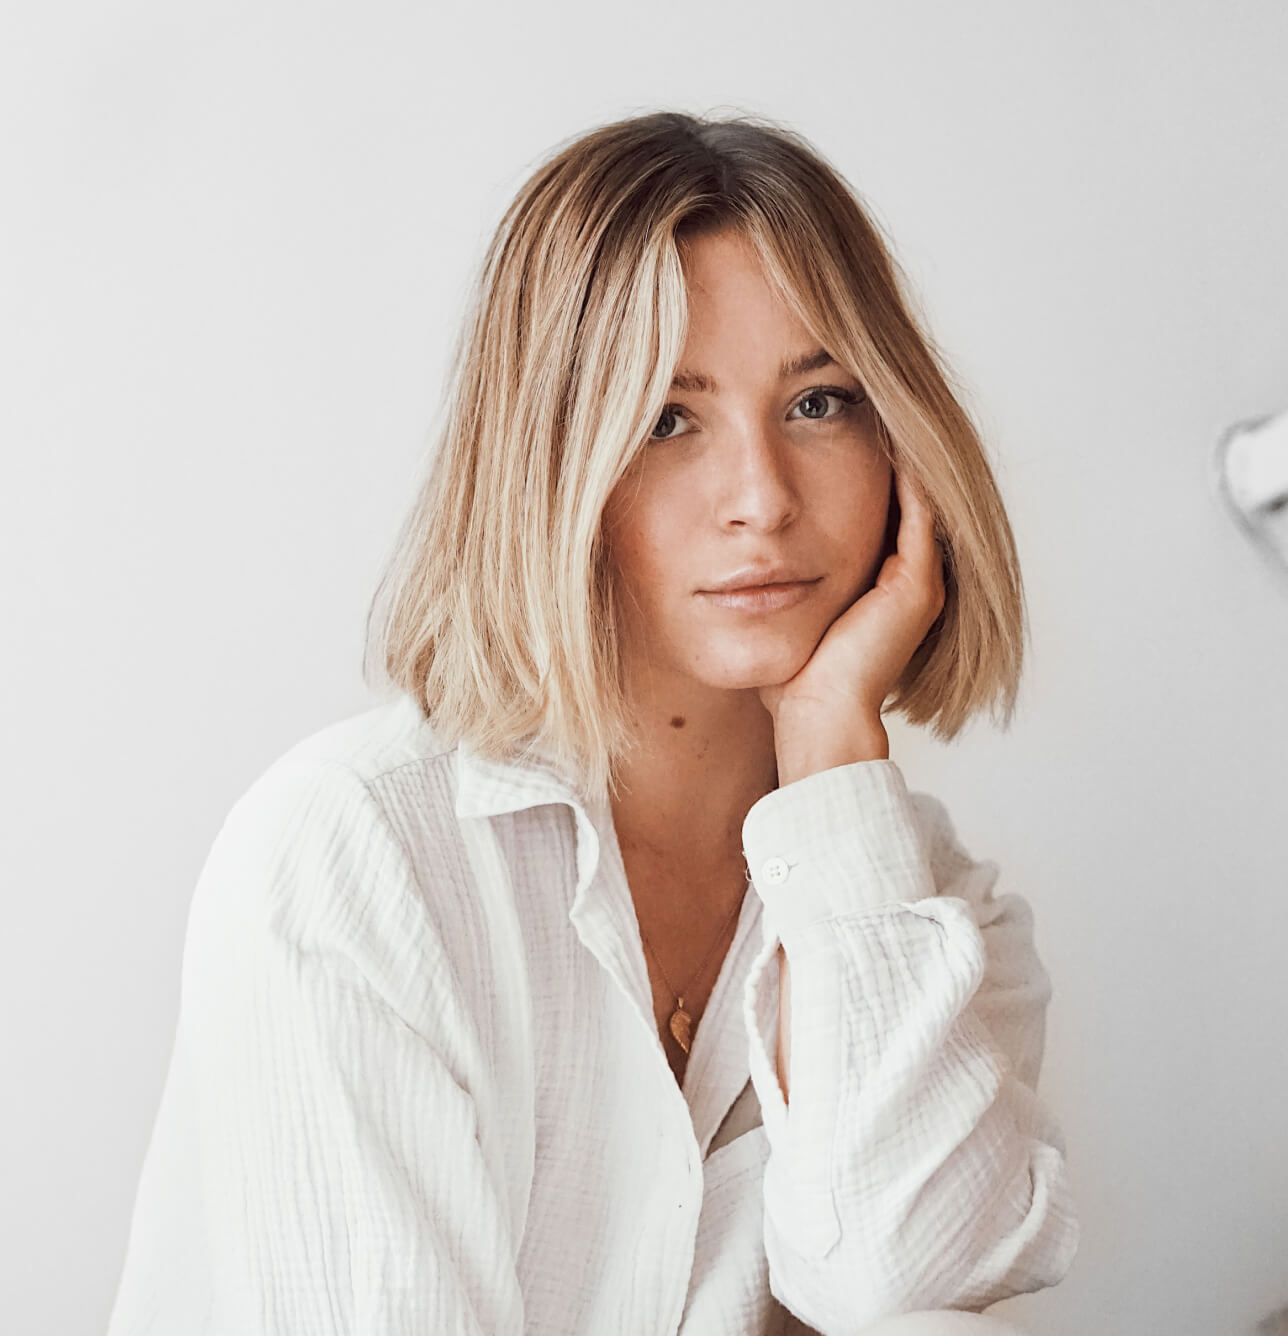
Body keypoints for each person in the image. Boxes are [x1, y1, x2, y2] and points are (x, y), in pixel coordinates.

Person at [105, 110, 1079, 1335]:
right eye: (668, 418)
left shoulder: (926, 907)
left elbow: (903, 1288)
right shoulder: (352, 855)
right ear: (550, 464)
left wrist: (835, 754)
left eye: (820, 402)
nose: (762, 498)